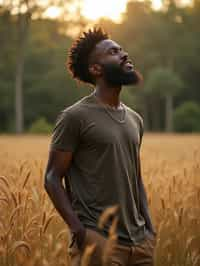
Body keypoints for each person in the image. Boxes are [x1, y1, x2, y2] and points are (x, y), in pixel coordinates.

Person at [44, 27, 157, 266]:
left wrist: (149, 228)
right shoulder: (75, 117)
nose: (124, 54)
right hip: (99, 243)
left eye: (122, 49)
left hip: (140, 246)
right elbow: (52, 177)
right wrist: (80, 232)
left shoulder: (135, 119)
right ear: (96, 69)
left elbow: (136, 177)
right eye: (113, 52)